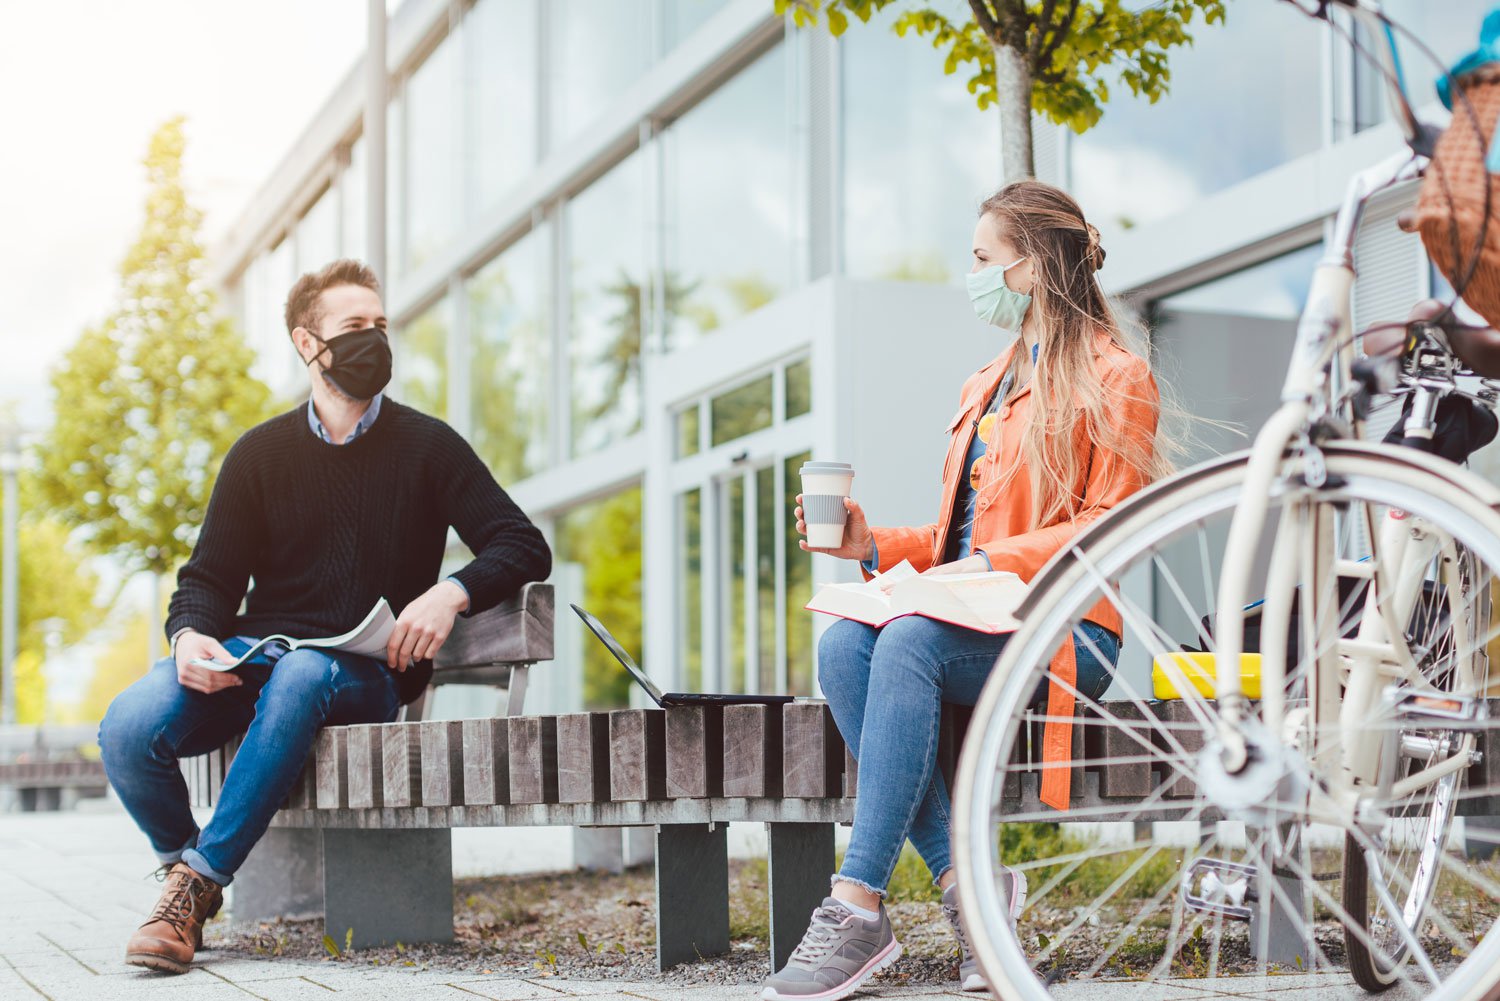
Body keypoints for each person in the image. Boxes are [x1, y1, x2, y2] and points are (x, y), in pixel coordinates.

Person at [763, 181, 1164, 1001]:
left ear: (1033, 266)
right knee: (844, 642)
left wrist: (991, 566)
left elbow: (1110, 528)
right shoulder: (985, 383)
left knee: (907, 639)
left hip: (1068, 631)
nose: (972, 273)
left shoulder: (1118, 377)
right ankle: (970, 892)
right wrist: (872, 543)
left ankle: (858, 902)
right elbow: (959, 543)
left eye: (983, 258)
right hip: (974, 618)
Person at [97, 259, 552, 974]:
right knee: (126, 726)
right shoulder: (258, 455)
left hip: (364, 670)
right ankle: (186, 876)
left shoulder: (428, 446)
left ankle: (196, 883)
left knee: (306, 670)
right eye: (354, 328)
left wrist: (448, 592)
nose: (375, 340)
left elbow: (523, 543)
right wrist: (189, 637)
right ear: (308, 344)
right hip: (256, 657)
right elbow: (207, 580)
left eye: (381, 326)